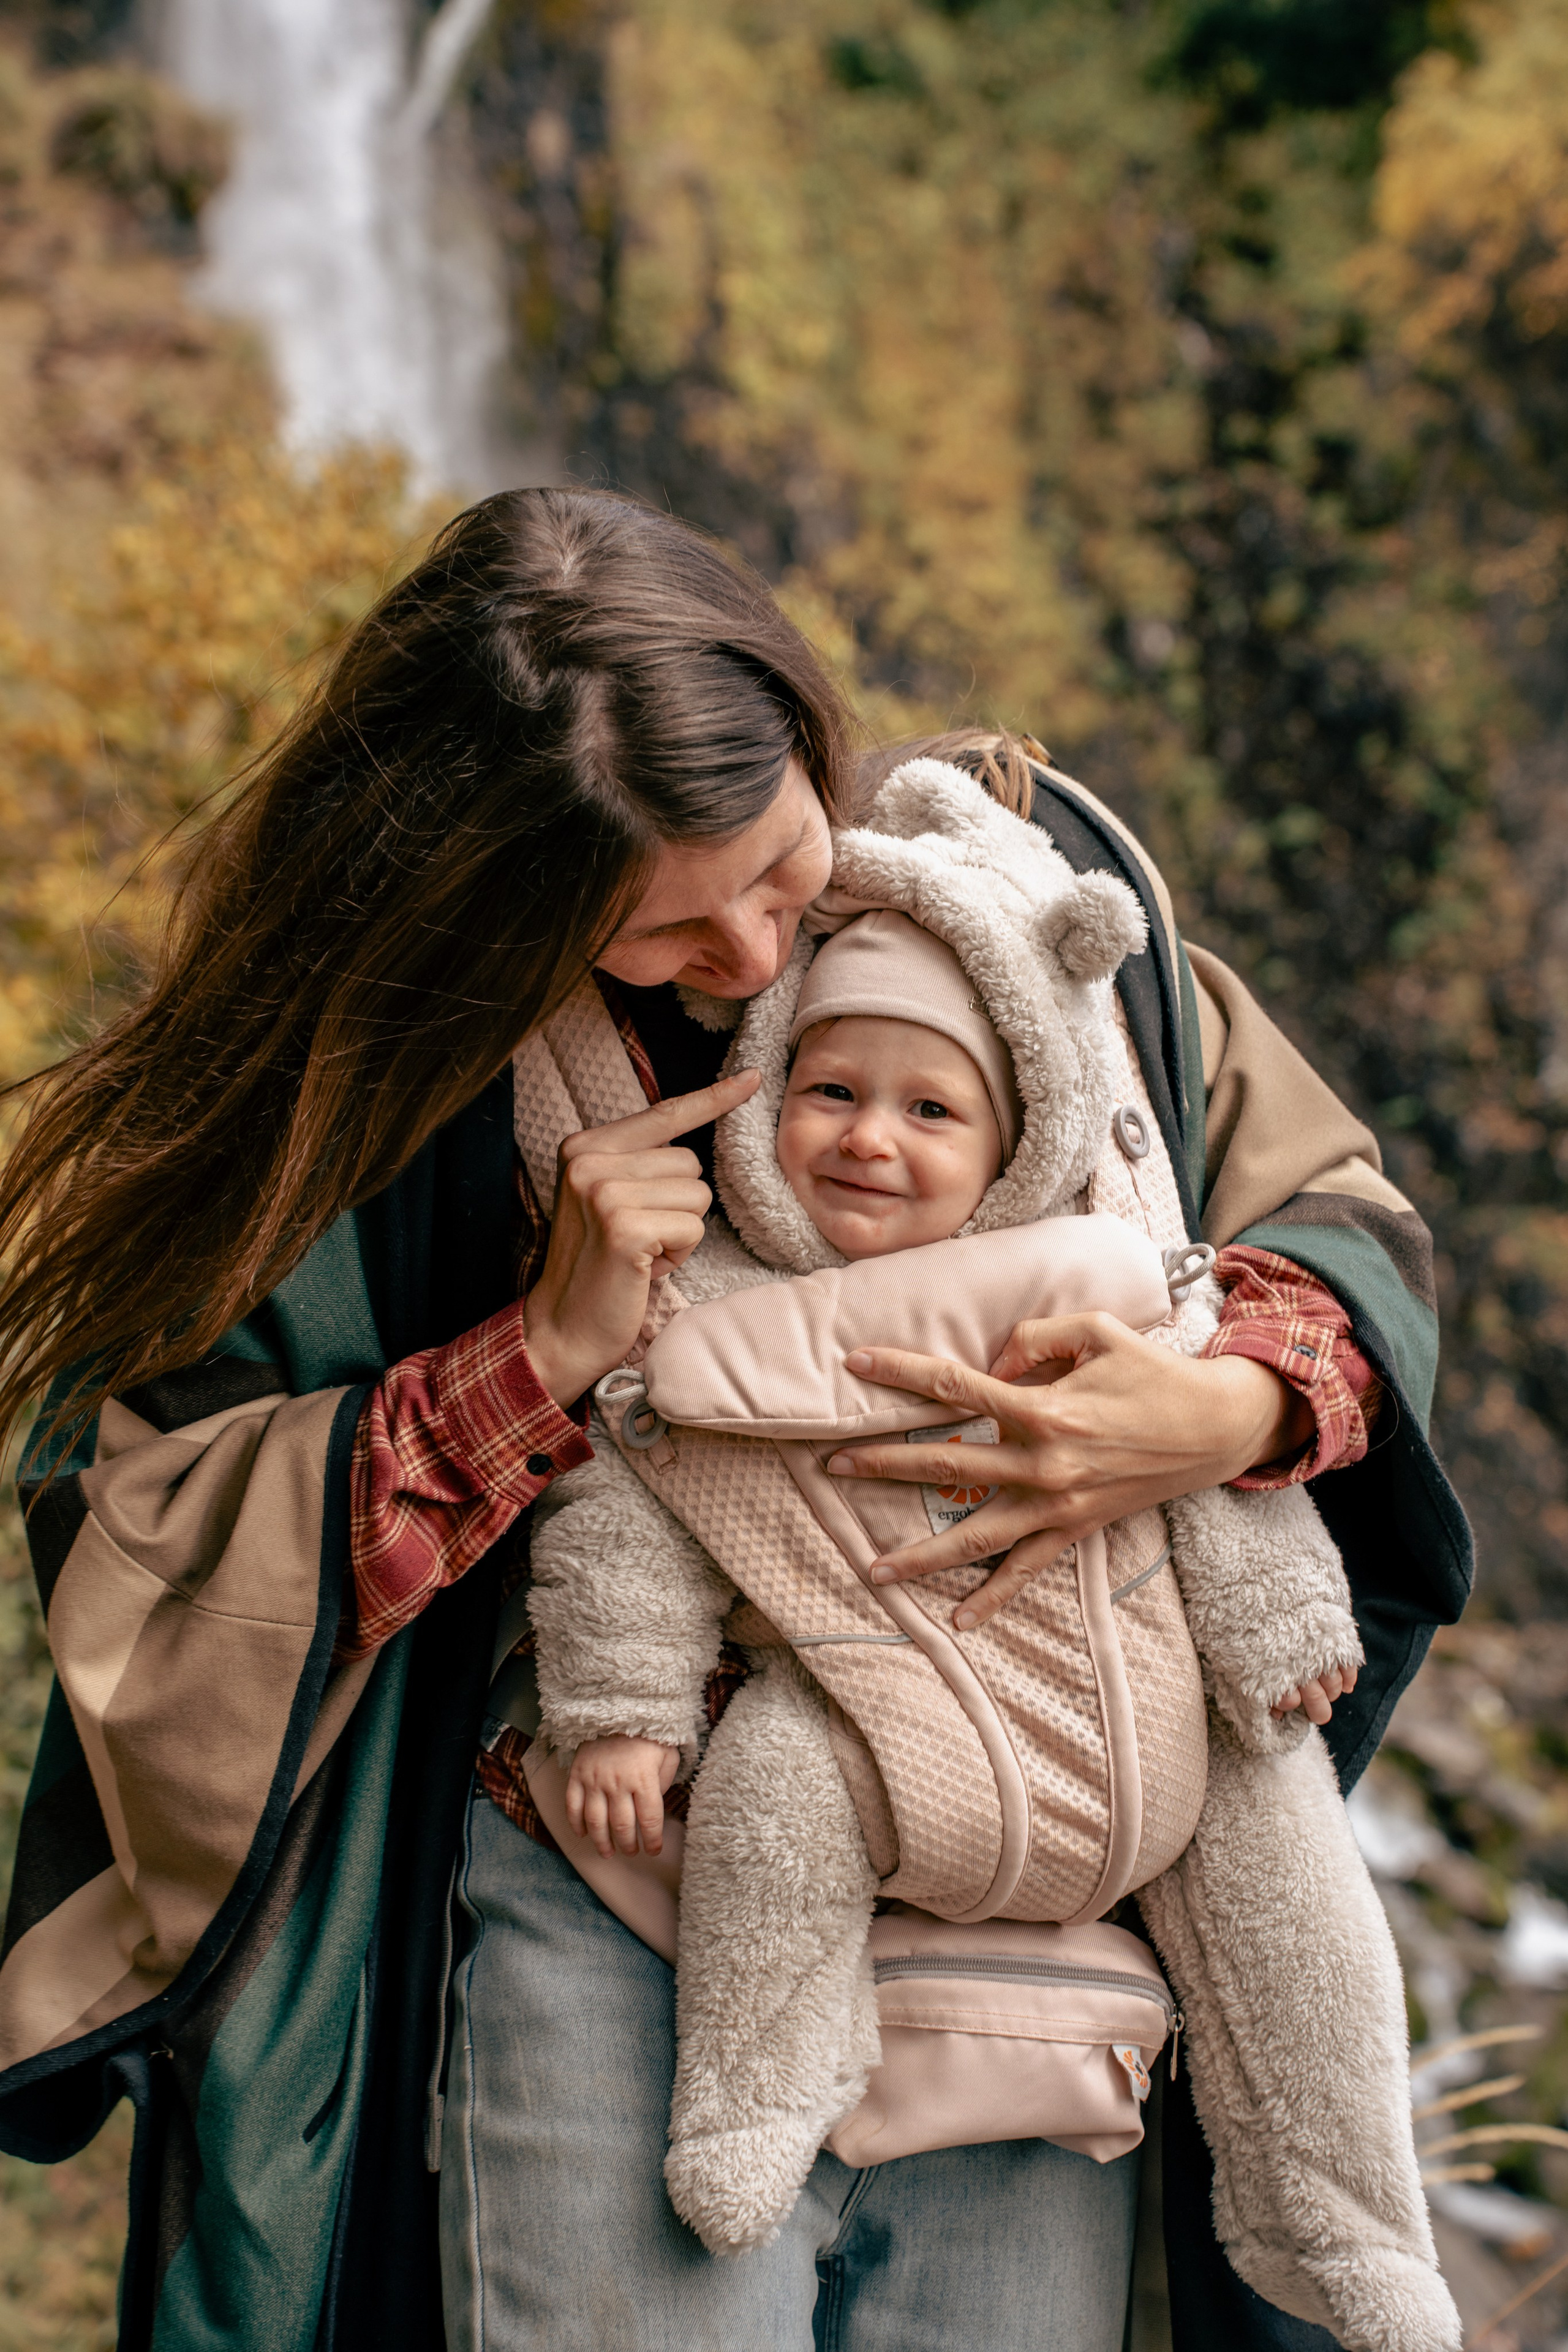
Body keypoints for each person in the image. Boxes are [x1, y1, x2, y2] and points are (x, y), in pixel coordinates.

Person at [0, 487, 1471, 2352]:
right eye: (663, 940)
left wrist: (1221, 1408)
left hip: (1034, 1881)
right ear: (494, 907)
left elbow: (1328, 1222)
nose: (764, 969)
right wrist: (531, 1358)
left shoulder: (1003, 906)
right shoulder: (359, 1088)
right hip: (598, 1884)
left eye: (778, 872)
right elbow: (144, 1524)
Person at [522, 771, 1456, 2352]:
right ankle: (758, 2090)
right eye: (826, 1094)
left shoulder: (1108, 1241)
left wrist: (1236, 1450)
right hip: (836, 1721)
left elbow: (1309, 1290)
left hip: (1131, 1720)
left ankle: (1348, 2220)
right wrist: (624, 1699)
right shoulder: (702, 1292)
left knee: (1291, 1900)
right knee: (777, 1798)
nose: (871, 1141)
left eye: (933, 1110)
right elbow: (627, 1494)